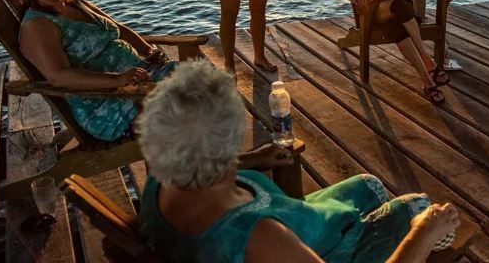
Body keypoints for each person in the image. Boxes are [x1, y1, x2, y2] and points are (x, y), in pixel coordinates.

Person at [137, 61, 460, 263]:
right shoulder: (258, 237)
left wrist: (256, 158)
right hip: (320, 249)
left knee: (370, 185)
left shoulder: (163, 178)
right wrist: (423, 235)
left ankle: (367, 223)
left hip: (305, 223)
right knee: (422, 209)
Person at [14, 0, 174, 141]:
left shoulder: (77, 3)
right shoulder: (38, 25)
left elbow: (120, 29)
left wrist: (149, 51)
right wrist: (118, 80)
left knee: (208, 82)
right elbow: (58, 76)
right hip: (108, 104)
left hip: (142, 77)